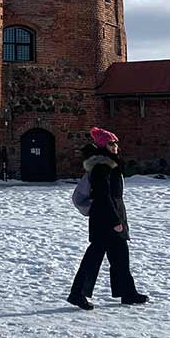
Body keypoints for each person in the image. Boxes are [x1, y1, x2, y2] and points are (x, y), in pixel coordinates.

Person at [67, 126, 149, 310]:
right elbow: (104, 196)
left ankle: (127, 292)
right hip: (105, 219)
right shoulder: (101, 167)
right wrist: (115, 222)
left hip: (112, 216)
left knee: (120, 256)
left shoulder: (110, 164)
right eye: (111, 143)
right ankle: (77, 293)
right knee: (94, 257)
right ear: (103, 146)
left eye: (116, 143)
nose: (115, 146)